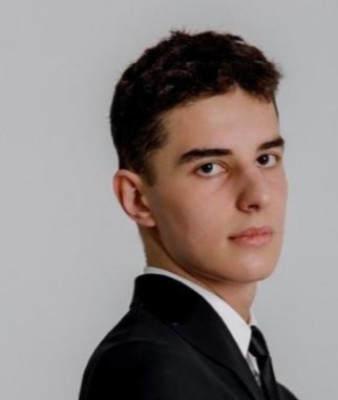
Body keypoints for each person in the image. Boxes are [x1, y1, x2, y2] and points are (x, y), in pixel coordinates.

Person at [79, 30, 299, 400]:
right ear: (137, 199)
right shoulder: (151, 372)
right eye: (209, 167)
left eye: (265, 159)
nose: (258, 195)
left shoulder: (263, 387)